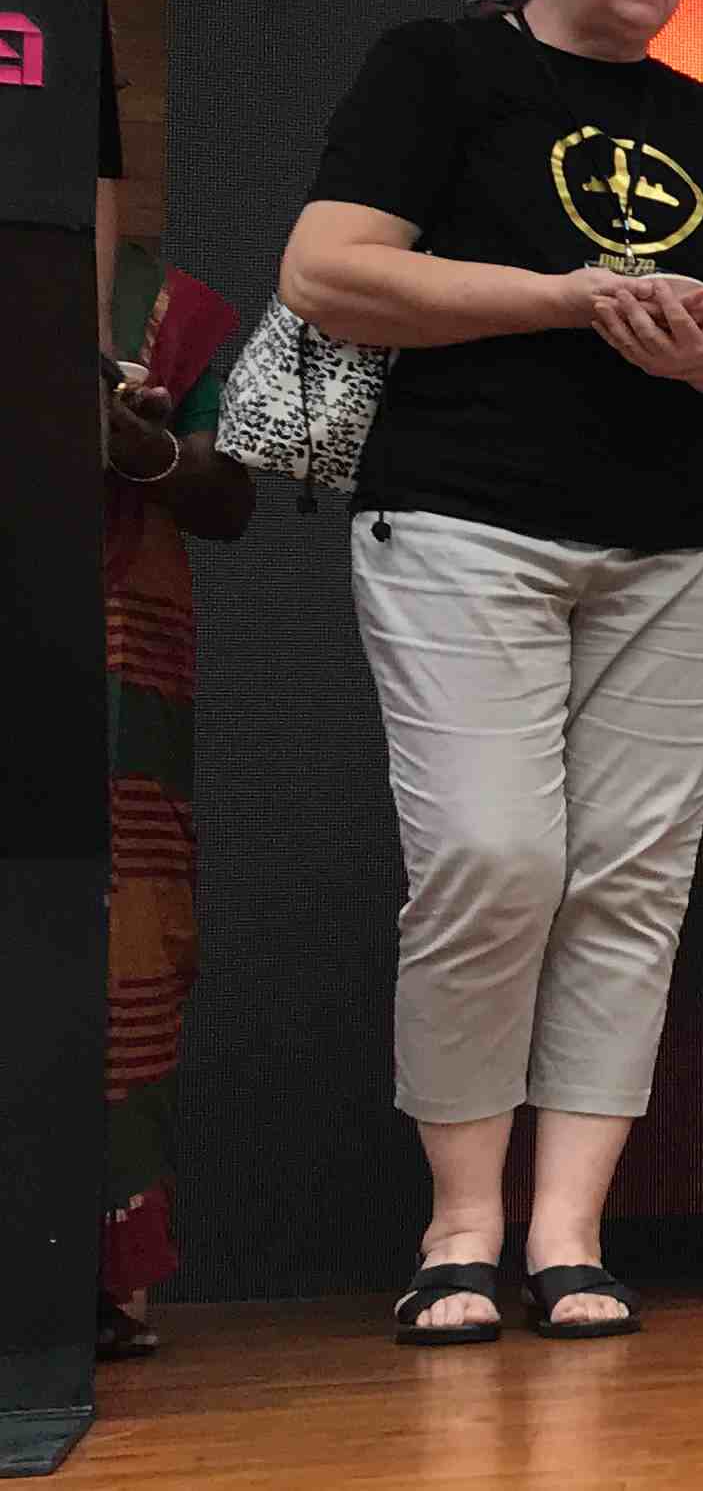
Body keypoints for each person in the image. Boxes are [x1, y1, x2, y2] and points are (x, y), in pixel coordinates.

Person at [281, 0, 703, 1340]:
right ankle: (460, 1226)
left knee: (630, 883)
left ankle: (568, 1234)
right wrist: (569, 299)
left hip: (681, 540)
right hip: (465, 518)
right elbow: (326, 269)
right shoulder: (438, 68)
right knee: (493, 858)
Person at [96, 240, 255, 1360]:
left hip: (113, 665)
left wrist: (139, 446)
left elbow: (227, 496)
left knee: (126, 944)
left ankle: (101, 1277)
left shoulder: (157, 305)